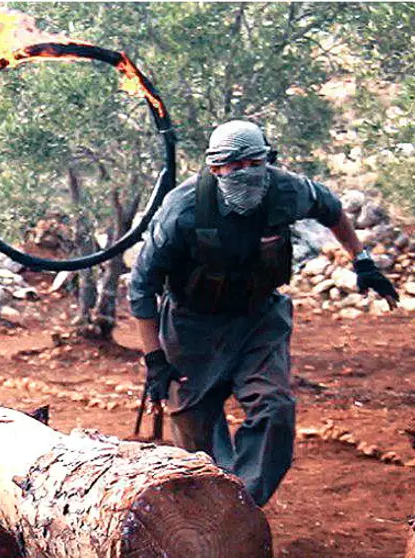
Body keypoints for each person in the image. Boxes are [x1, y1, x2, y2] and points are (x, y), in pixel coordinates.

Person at [128, 120, 398, 507]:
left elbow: (333, 211)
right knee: (192, 428)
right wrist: (154, 359)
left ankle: (242, 505)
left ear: (267, 160)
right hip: (192, 326)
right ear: (215, 167)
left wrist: (363, 261)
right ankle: (207, 501)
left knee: (274, 408)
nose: (247, 173)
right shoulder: (183, 208)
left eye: (255, 162)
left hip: (258, 320)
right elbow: (142, 286)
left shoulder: (287, 189)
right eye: (234, 166)